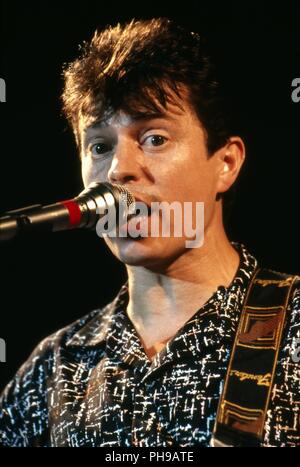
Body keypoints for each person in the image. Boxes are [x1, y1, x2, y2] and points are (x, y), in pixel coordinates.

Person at [0, 17, 299, 448]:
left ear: (226, 163)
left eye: (154, 138)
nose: (119, 169)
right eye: (100, 146)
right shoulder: (53, 368)